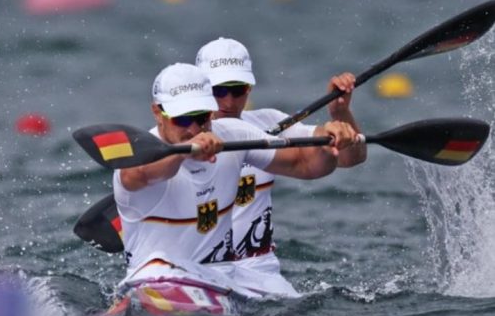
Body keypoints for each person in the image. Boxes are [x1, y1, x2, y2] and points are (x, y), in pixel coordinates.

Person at [113, 63, 359, 300]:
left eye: (201, 117)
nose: (193, 129)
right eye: (183, 120)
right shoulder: (138, 152)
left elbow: (304, 165)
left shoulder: (232, 133)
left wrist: (331, 143)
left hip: (222, 278)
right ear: (157, 112)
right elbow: (138, 175)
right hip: (154, 277)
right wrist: (184, 151)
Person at [194, 38, 367, 296]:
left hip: (259, 270)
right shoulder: (181, 140)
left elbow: (351, 158)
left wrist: (339, 117)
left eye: (237, 89)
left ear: (249, 89)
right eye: (218, 91)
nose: (228, 102)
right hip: (200, 271)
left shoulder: (269, 123)